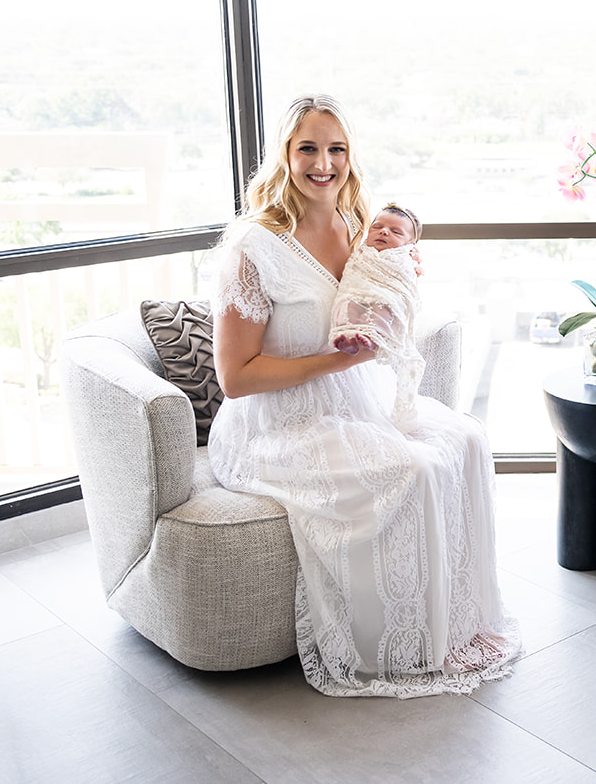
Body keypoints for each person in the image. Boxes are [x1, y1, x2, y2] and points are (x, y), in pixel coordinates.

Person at [208, 95, 518, 698]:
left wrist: (400, 279)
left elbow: (376, 304)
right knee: (414, 468)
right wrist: (335, 361)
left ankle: (455, 625)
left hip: (354, 396)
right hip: (279, 421)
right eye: (308, 149)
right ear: (284, 155)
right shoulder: (252, 247)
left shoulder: (357, 225)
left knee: (467, 440)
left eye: (337, 149)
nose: (323, 164)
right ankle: (404, 644)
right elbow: (236, 379)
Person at [329, 203, 426, 431]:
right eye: (377, 227)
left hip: (386, 291)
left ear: (410, 244)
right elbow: (351, 270)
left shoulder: (404, 255)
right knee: (347, 302)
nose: (384, 232)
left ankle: (372, 338)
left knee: (384, 307)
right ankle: (349, 338)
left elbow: (409, 279)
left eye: (396, 232)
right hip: (359, 285)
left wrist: (415, 265)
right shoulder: (362, 249)